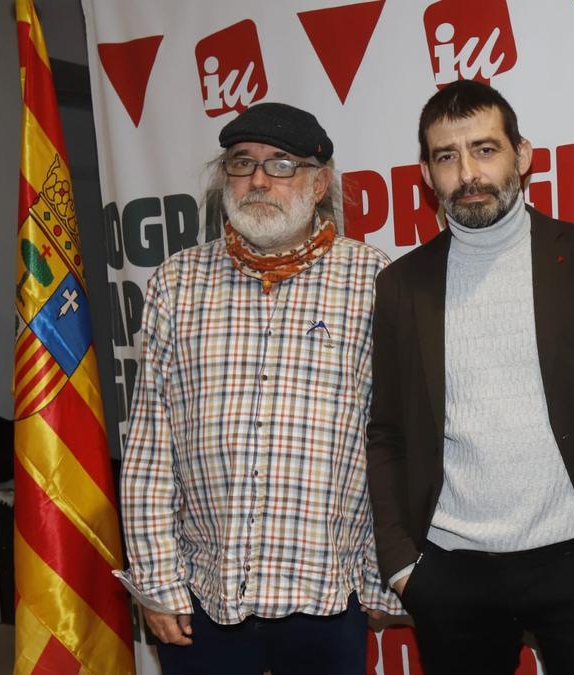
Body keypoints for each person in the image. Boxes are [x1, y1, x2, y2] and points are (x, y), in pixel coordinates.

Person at [365, 79, 574, 675]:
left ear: (522, 154)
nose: (468, 174)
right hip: (451, 573)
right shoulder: (402, 285)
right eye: (447, 157)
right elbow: (387, 433)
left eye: (485, 149)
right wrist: (403, 565)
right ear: (426, 173)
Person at [117, 101, 401, 675]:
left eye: (282, 164)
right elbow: (151, 447)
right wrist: (156, 583)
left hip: (327, 594)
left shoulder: (372, 279)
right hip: (204, 594)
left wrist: (380, 578)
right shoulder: (176, 283)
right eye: (242, 163)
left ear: (319, 183)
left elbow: (389, 443)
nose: (259, 180)